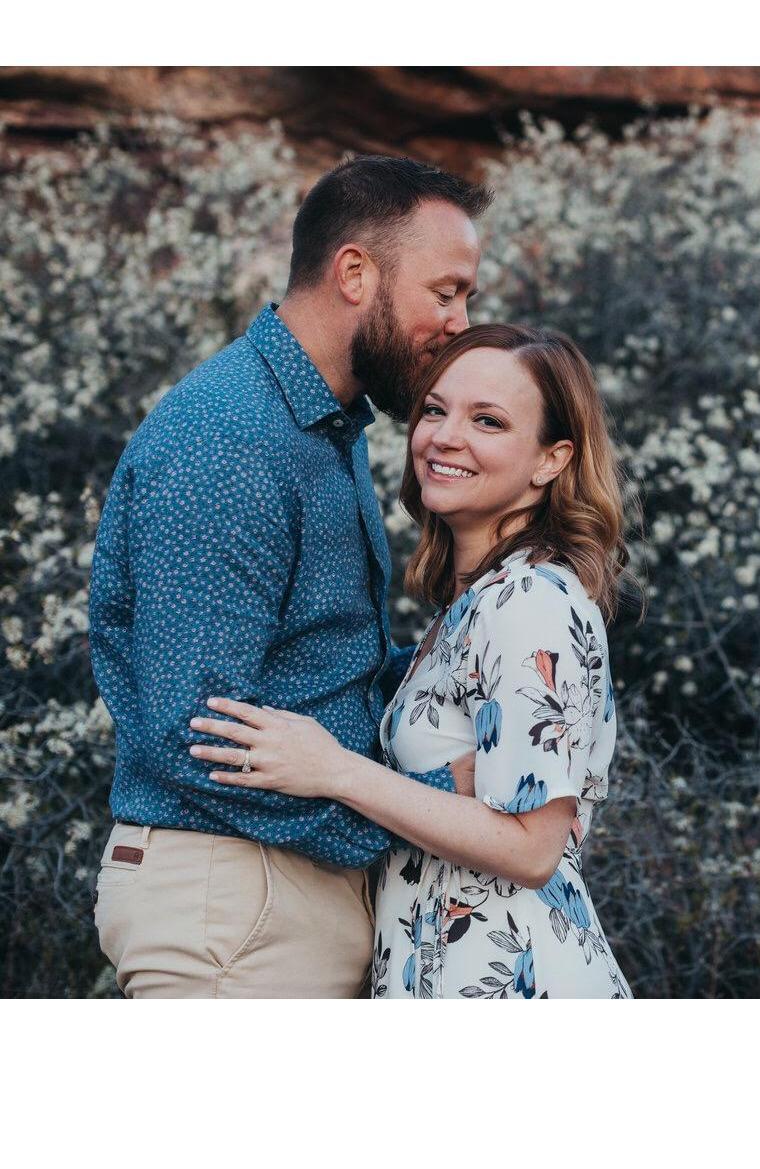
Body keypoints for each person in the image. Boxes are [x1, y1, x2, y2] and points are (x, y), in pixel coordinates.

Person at [89, 154, 491, 998]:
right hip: (234, 903)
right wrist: (405, 808)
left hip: (278, 894)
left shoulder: (321, 428)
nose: (459, 321)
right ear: (355, 272)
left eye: (467, 299)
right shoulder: (230, 440)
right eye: (445, 291)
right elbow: (194, 733)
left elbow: (324, 665)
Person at [188, 324, 634, 999]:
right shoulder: (478, 603)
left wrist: (335, 770)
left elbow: (531, 848)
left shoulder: (530, 601)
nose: (446, 436)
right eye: (435, 409)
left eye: (487, 420)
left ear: (551, 460)